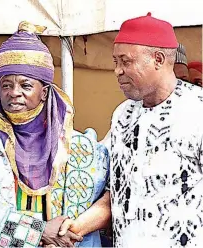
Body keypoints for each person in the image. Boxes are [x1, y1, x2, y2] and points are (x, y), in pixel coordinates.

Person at [0, 21, 110, 248]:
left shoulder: (81, 146)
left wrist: (62, 234)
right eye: (6, 85)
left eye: (25, 85)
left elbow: (104, 205)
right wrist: (38, 232)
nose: (14, 93)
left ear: (44, 93)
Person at [60, 12, 203, 247]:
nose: (117, 70)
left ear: (158, 59)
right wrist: (71, 230)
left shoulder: (197, 111)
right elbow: (115, 195)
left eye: (126, 62)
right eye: (115, 62)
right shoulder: (123, 115)